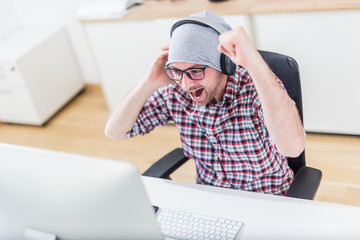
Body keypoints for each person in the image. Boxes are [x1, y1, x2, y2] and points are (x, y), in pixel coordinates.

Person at [105, 11, 305, 195]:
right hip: (211, 198)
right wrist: (148, 82)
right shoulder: (175, 90)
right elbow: (115, 131)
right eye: (177, 71)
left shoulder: (256, 88)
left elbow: (293, 148)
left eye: (195, 71)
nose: (186, 84)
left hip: (267, 198)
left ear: (223, 64)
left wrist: (256, 65)